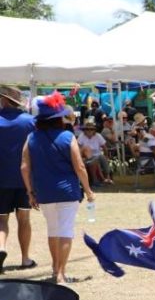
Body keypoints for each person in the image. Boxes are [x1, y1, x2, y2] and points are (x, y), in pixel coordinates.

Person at [20, 92, 94, 285]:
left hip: (43, 191)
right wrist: (88, 190)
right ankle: (61, 273)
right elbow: (79, 166)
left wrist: (29, 192)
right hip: (67, 191)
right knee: (66, 231)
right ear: (58, 118)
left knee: (53, 231)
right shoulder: (68, 136)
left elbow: (24, 167)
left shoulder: (31, 138)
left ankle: (55, 268)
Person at [0, 85, 36, 273]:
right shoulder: (30, 121)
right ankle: (25, 258)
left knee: (1, 220)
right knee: (24, 219)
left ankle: (1, 248)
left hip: (1, 179)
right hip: (25, 179)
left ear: (4, 100)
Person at [77, 119, 114, 185]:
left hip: (97, 155)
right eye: (87, 129)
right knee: (95, 160)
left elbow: (104, 147)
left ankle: (107, 177)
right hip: (87, 156)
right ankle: (102, 179)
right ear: (84, 130)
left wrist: (106, 156)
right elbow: (78, 148)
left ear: (94, 130)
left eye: (91, 129)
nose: (89, 131)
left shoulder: (98, 136)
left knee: (102, 157)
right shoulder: (81, 136)